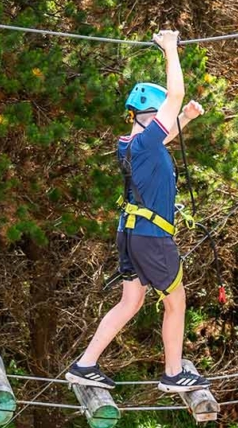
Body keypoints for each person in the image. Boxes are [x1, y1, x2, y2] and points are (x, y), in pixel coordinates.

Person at [67, 29, 211, 393]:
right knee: (176, 302)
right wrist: (170, 50)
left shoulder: (129, 143)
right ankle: (174, 373)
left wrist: (187, 120)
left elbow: (159, 139)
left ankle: (85, 364)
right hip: (151, 237)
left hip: (129, 232)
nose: (170, 114)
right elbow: (175, 94)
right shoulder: (146, 141)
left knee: (131, 301)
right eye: (163, 112)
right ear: (150, 113)